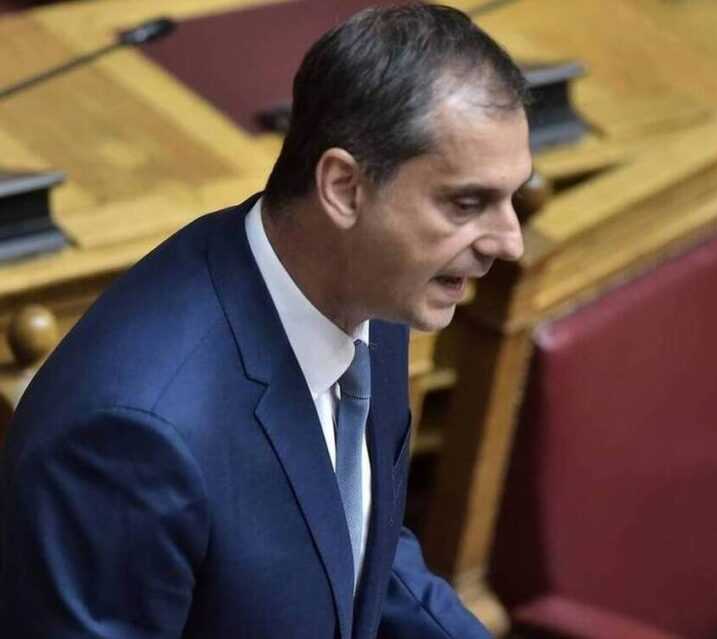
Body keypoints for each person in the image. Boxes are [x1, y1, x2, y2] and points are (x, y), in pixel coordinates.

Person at [0, 4, 531, 638]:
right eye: (467, 203)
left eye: (511, 198)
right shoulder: (129, 438)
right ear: (344, 188)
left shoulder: (373, 290)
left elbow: (363, 553)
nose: (510, 241)